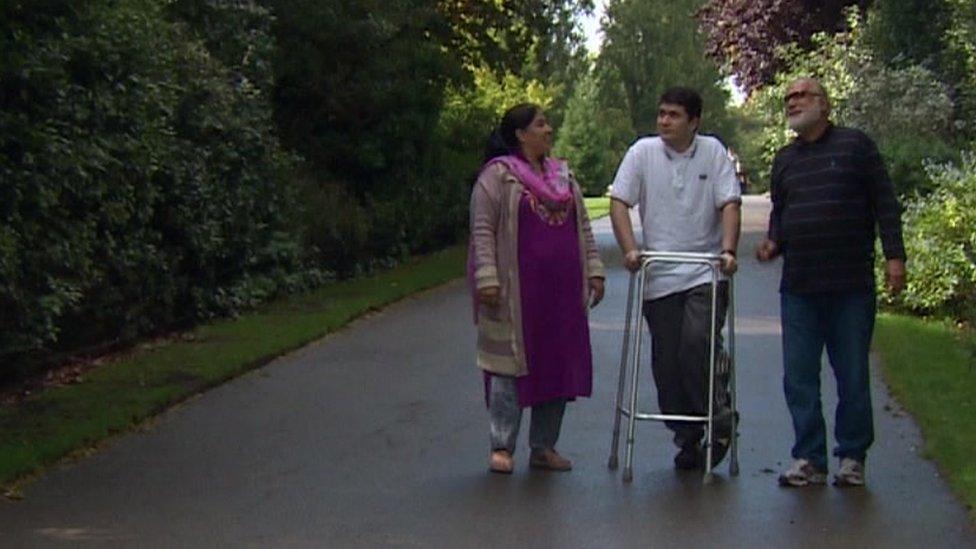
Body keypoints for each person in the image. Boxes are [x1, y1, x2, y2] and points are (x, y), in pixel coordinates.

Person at [756, 77, 907, 488]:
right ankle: (809, 458)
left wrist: (895, 256)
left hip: (850, 286)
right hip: (800, 287)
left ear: (824, 104)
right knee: (799, 377)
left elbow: (885, 203)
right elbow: (781, 215)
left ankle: (852, 457)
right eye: (787, 97)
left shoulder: (856, 146)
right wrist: (772, 242)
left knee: (852, 375)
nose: (792, 102)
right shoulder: (785, 159)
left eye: (801, 95)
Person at [468, 103, 606, 474]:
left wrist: (594, 270)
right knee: (507, 367)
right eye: (541, 124)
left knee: (557, 365)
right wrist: (487, 278)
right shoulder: (498, 177)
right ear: (520, 134)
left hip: (560, 295)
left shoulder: (564, 178)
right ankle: (502, 446)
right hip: (515, 293)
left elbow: (584, 229)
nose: (548, 130)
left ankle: (544, 447)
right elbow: (482, 229)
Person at [609, 87, 741, 470]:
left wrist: (729, 250)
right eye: (661, 114)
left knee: (696, 344)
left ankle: (716, 419)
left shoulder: (713, 151)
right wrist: (630, 248)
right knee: (666, 363)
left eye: (674, 115)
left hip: (704, 271)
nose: (664, 121)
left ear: (694, 122)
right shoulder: (642, 153)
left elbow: (728, 202)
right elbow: (619, 201)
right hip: (660, 273)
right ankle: (687, 436)